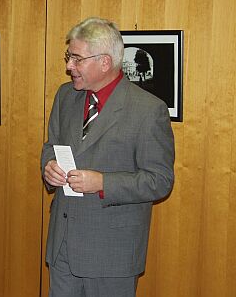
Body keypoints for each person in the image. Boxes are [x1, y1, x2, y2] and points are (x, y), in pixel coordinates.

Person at [41, 17, 175, 297]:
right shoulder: (66, 96)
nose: (68, 66)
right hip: (63, 247)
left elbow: (160, 181)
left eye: (76, 59)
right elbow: (51, 147)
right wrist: (49, 168)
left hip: (111, 255)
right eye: (69, 57)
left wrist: (103, 183)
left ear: (104, 62)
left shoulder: (148, 110)